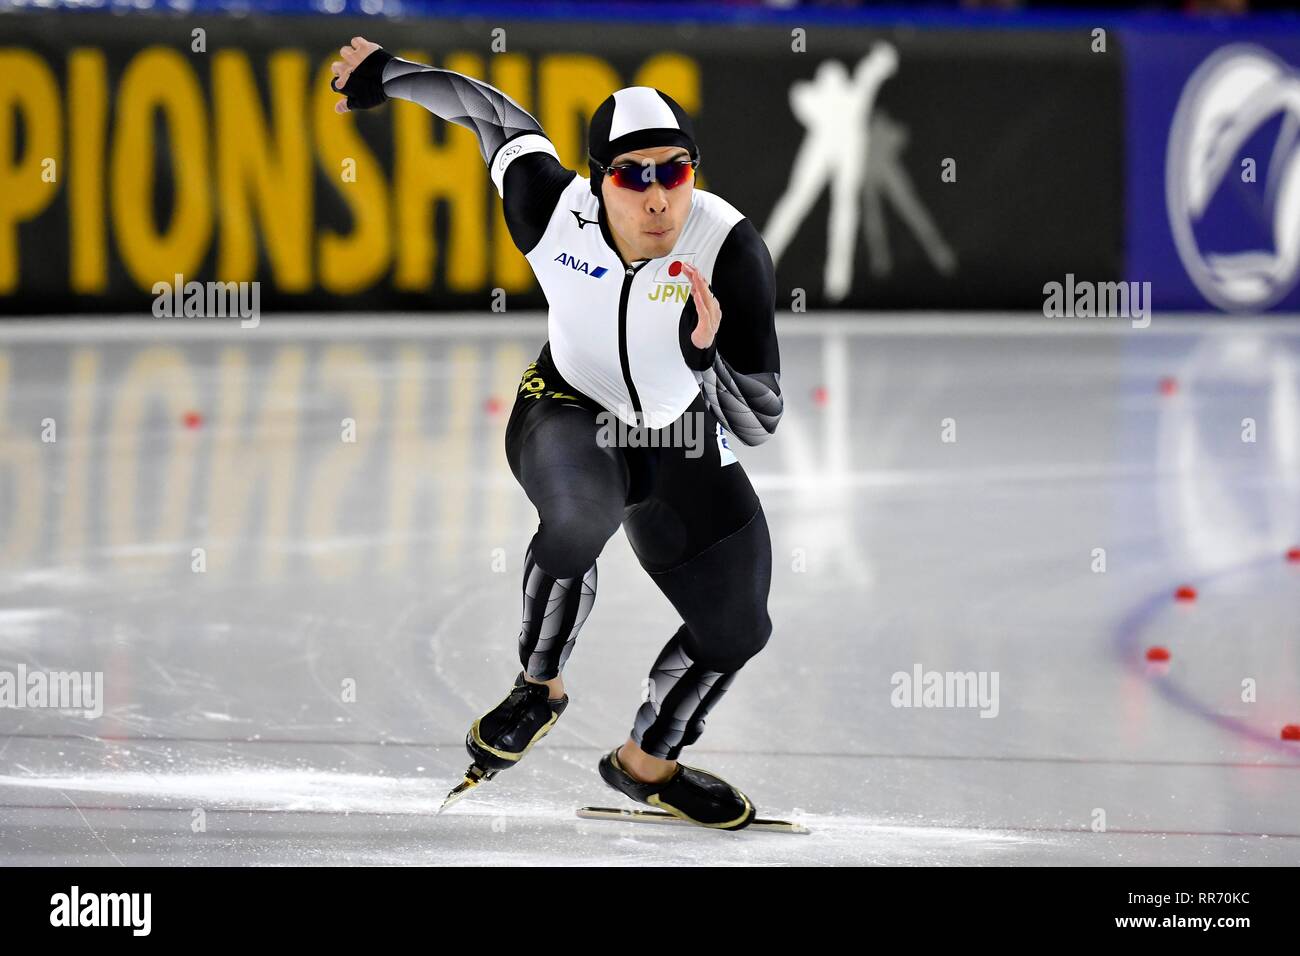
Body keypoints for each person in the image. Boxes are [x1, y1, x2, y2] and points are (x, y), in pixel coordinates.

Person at [331, 36, 783, 830]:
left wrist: (704, 356)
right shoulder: (550, 206)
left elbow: (759, 420)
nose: (656, 200)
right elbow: (485, 112)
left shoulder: (731, 247)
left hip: (677, 435)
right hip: (568, 407)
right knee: (578, 519)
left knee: (740, 626)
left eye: (674, 172)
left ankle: (646, 764)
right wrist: (387, 76)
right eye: (631, 177)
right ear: (596, 182)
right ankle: (539, 687)